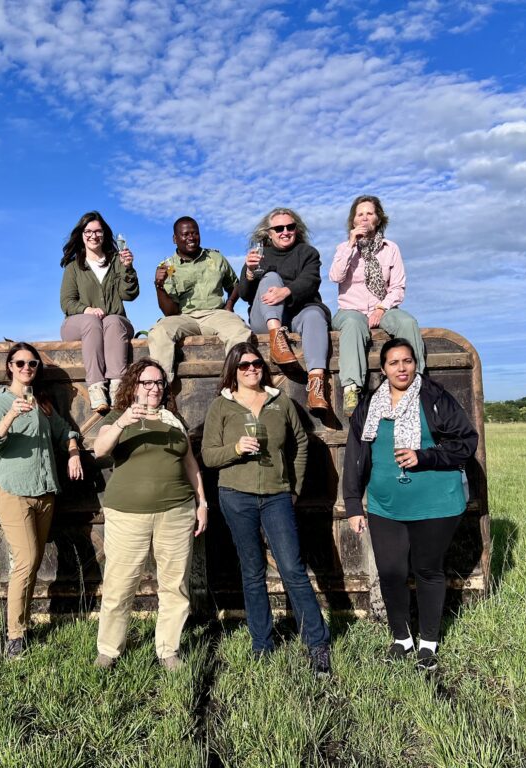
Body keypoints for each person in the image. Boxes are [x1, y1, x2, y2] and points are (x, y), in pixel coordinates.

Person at [343, 338, 478, 672]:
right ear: (383, 368)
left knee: (427, 570)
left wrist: (424, 456)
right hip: (385, 505)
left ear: (415, 364)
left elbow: (466, 441)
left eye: (407, 361)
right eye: (394, 362)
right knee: (391, 573)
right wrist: (353, 503)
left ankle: (428, 643)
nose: (401, 368)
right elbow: (355, 455)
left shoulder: (434, 398)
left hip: (435, 504)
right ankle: (402, 639)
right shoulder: (370, 405)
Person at [201, 342, 332, 675]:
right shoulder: (221, 405)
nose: (251, 369)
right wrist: (235, 448)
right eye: (244, 365)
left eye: (256, 363)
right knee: (252, 571)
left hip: (277, 496)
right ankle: (262, 644)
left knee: (293, 569)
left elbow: (300, 444)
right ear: (233, 370)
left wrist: (294, 488)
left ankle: (317, 643)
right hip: (236, 496)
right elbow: (209, 456)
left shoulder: (280, 401)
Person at [91, 357, 208, 670]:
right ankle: (109, 650)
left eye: (159, 382)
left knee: (175, 585)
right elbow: (99, 450)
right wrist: (123, 421)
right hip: (128, 513)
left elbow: (190, 463)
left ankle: (168, 650)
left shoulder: (173, 419)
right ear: (133, 386)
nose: (154, 388)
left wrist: (202, 503)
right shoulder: (118, 416)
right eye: (147, 382)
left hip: (177, 512)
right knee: (120, 584)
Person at [0, 342, 84, 659]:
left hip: (44, 492)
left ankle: (22, 624)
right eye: (20, 363)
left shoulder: (42, 402)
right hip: (13, 492)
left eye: (33, 363)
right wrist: (11, 414)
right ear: (10, 366)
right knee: (26, 561)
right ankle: (15, 635)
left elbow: (65, 431)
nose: (27, 368)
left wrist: (73, 454)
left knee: (33, 562)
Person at [329, 195, 426, 416]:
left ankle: (417, 383)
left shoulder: (390, 248)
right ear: (353, 221)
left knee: (407, 322)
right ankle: (352, 388)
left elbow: (398, 287)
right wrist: (351, 245)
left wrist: (382, 308)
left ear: (378, 219)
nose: (364, 218)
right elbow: (335, 276)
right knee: (353, 324)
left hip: (383, 307)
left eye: (369, 213)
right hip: (350, 309)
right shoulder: (344, 248)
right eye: (359, 214)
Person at [239, 208, 331, 411]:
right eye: (279, 228)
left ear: (296, 229)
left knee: (315, 315)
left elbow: (310, 281)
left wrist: (286, 292)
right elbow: (244, 294)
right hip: (266, 319)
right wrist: (249, 273)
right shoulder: (260, 255)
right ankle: (276, 341)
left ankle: (316, 387)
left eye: (290, 227)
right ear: (269, 233)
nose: (285, 232)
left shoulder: (307, 253)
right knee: (270, 277)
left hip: (299, 314)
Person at [148, 216, 251, 382]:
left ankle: (235, 384)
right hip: (184, 317)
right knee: (159, 331)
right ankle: (161, 386)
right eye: (185, 234)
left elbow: (235, 285)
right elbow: (170, 312)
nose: (191, 237)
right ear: (175, 239)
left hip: (216, 314)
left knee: (239, 331)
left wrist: (230, 304)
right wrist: (159, 285)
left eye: (195, 233)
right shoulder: (167, 267)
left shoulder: (216, 258)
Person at [60, 211, 139, 413]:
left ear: (104, 234)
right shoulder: (73, 267)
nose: (93, 236)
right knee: (92, 322)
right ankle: (96, 388)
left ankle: (117, 387)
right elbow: (67, 303)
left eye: (98, 231)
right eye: (88, 231)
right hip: (78, 324)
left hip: (113, 325)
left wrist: (128, 268)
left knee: (112, 321)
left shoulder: (117, 262)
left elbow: (129, 295)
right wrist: (86, 309)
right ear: (81, 235)